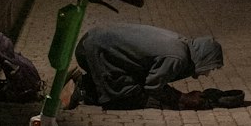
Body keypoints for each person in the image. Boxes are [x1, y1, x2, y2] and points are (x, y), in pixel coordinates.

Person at [68, 23, 223, 109]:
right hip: (92, 51)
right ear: (203, 57)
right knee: (125, 97)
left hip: (92, 42)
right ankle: (83, 89)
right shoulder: (177, 58)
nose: (207, 73)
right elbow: (152, 86)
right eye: (209, 67)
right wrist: (182, 98)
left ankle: (89, 82)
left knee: (131, 86)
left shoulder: (181, 44)